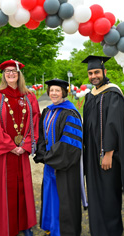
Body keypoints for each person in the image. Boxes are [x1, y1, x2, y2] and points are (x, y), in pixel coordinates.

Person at [0, 59, 40, 236]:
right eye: (7, 72)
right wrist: (9, 145)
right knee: (2, 189)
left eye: (14, 71)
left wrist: (26, 143)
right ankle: (3, 226)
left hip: (21, 151)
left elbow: (35, 120)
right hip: (4, 152)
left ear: (19, 74)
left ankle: (24, 224)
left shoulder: (29, 96)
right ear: (4, 75)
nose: (10, 74)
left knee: (23, 187)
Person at [82, 55, 124, 236]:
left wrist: (108, 153)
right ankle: (98, 230)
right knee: (95, 193)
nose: (93, 76)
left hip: (107, 155)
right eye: (90, 73)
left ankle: (111, 231)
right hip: (92, 155)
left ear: (105, 72)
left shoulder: (112, 94)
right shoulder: (90, 96)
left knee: (109, 193)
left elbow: (114, 125)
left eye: (96, 72)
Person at [33, 78, 87, 236]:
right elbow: (42, 136)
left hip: (65, 164)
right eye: (51, 91)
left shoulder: (70, 113)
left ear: (64, 92)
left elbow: (69, 143)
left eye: (57, 90)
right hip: (51, 162)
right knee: (50, 194)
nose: (54, 93)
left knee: (65, 198)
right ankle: (51, 227)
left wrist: (50, 157)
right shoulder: (48, 111)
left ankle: (65, 232)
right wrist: (42, 153)